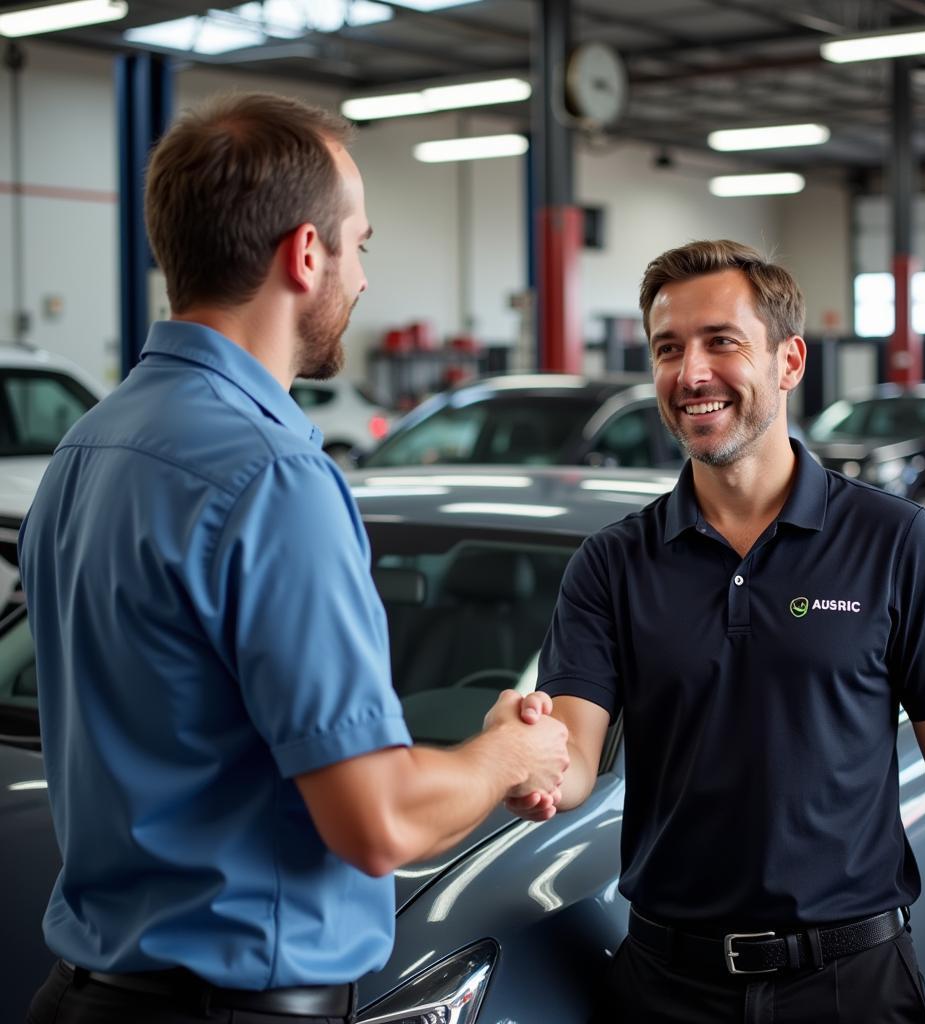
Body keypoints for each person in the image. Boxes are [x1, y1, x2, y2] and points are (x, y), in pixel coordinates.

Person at [19, 92, 567, 1024]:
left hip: (84, 994)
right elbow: (376, 819)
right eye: (359, 245)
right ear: (305, 254)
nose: (360, 278)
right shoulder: (273, 474)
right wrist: (508, 752)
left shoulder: (90, 447)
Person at [508, 240, 925, 1023]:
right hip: (666, 988)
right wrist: (520, 753)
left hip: (853, 985)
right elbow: (573, 756)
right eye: (669, 348)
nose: (691, 373)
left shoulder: (891, 541)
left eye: (722, 342)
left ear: (789, 361)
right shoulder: (612, 565)